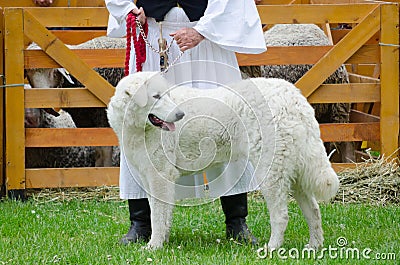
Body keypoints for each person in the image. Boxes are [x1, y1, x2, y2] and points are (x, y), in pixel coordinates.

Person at [106, 0, 266, 245]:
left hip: (208, 39)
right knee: (142, 133)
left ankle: (236, 221)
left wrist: (203, 30)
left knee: (225, 122)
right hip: (154, 37)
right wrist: (127, 9)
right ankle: (141, 223)